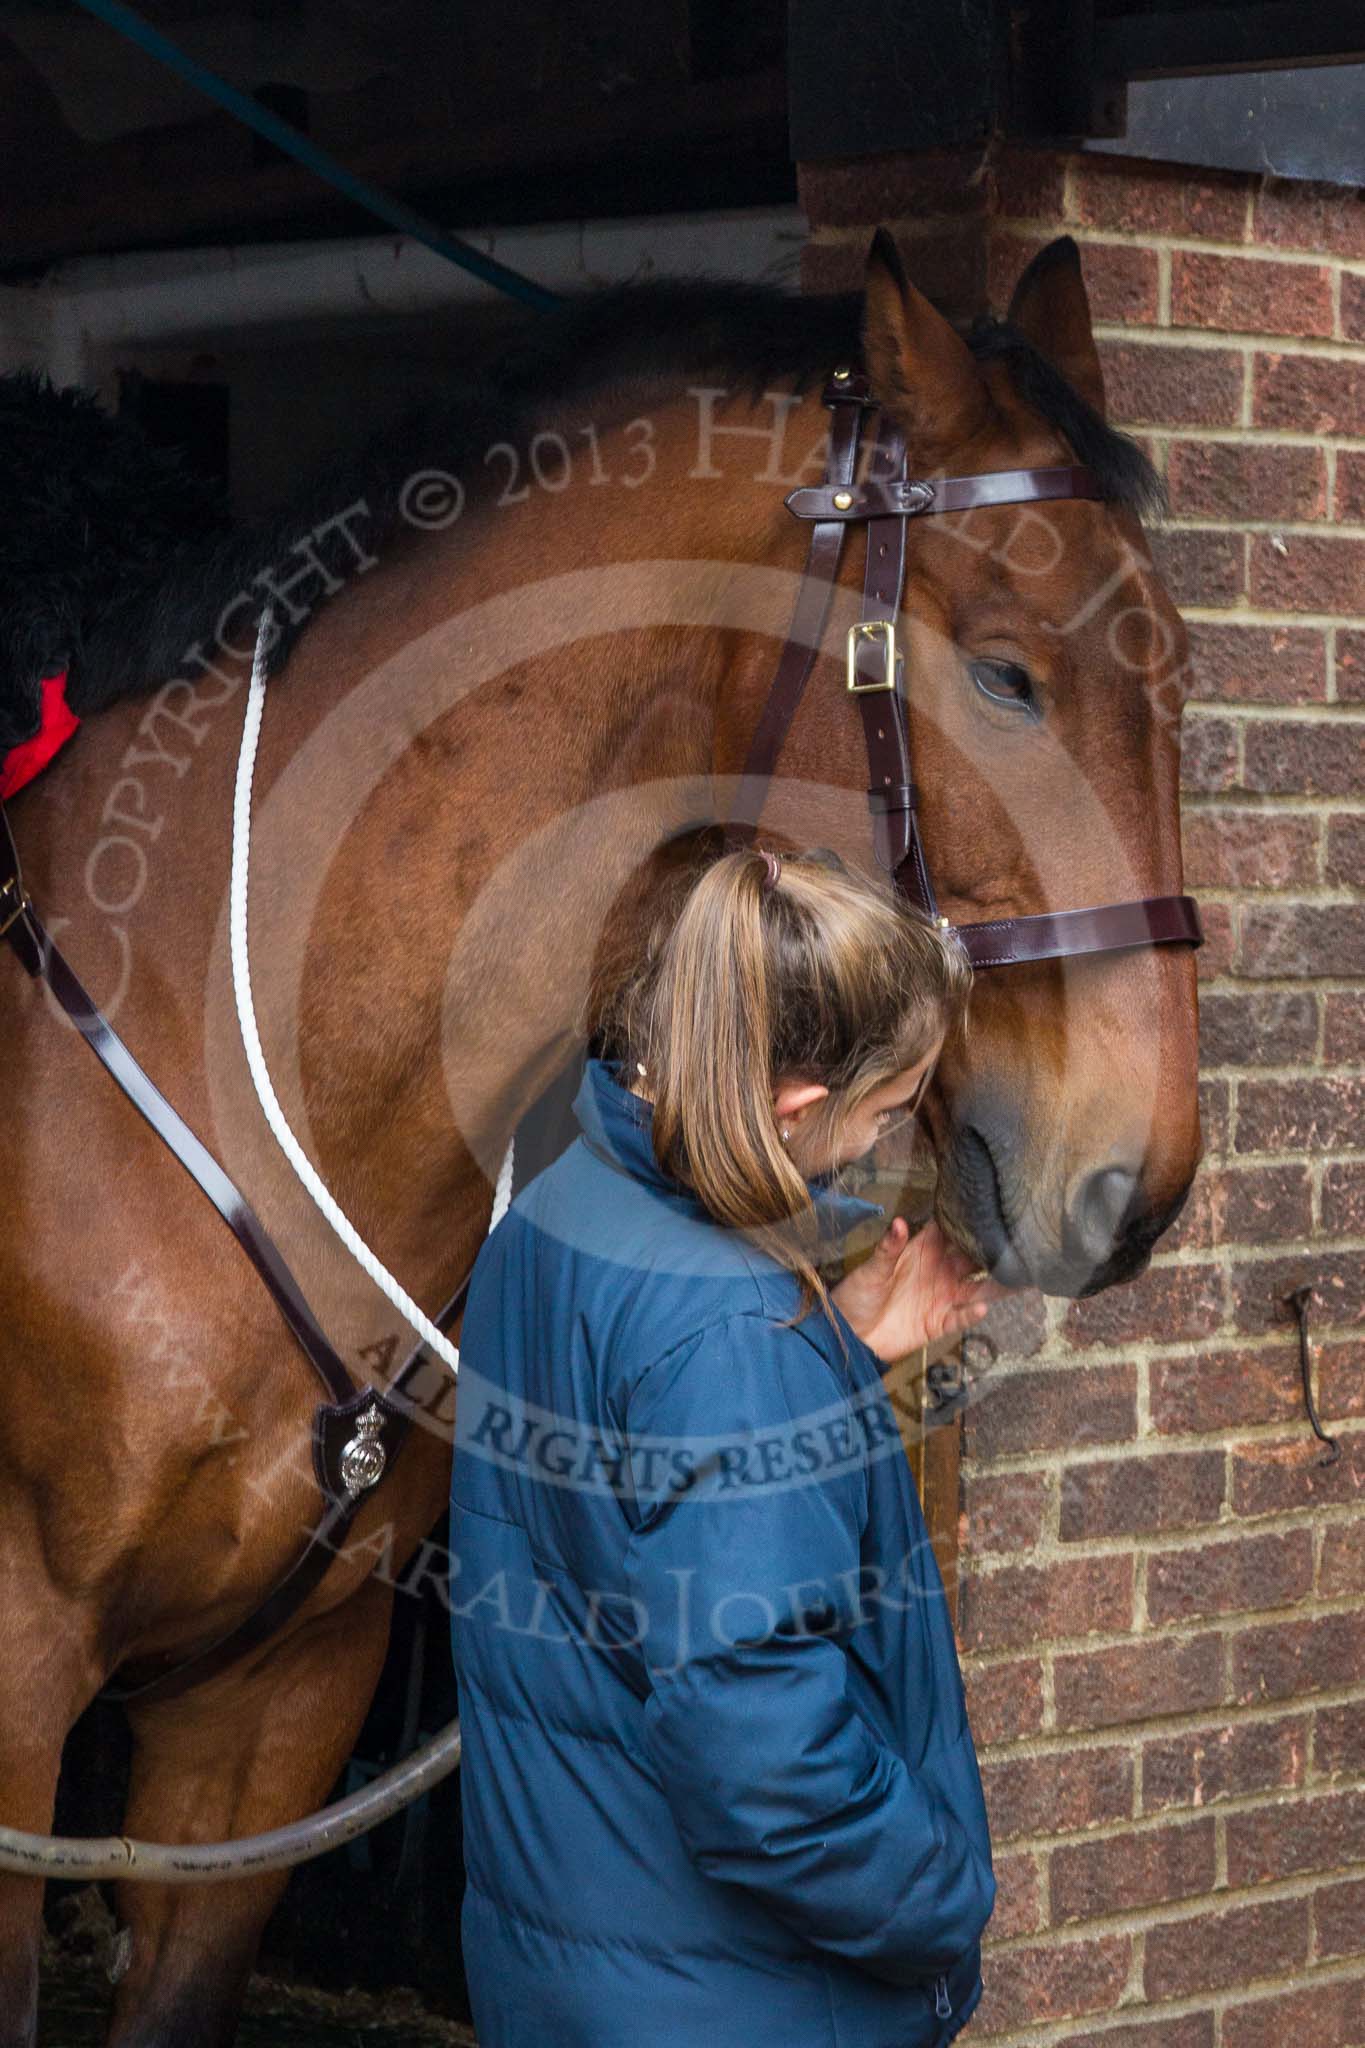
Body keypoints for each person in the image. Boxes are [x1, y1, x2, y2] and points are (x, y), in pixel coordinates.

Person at [449, 844, 1003, 2047]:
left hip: (577, 1963)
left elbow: (636, 1530)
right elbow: (771, 1770)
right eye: (889, 1106)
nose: (886, 1138)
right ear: (801, 1104)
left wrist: (842, 1361)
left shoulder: (557, 1206)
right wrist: (947, 1901)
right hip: (735, 1999)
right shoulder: (731, 1327)